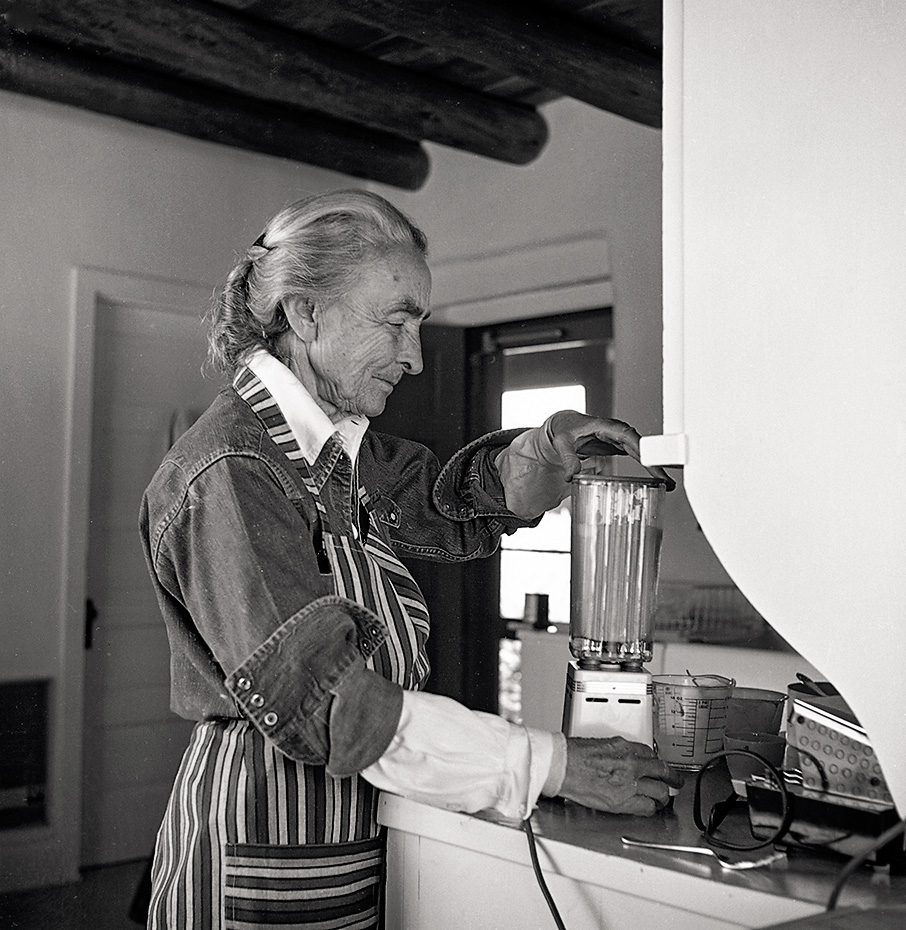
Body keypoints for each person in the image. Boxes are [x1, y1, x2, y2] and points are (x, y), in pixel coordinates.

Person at [139, 189, 681, 930]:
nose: (417, 357)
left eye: (419, 324)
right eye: (396, 321)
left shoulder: (340, 447)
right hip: (259, 847)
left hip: (340, 838)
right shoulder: (234, 471)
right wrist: (555, 765)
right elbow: (328, 704)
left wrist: (542, 450)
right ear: (305, 314)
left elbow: (437, 502)